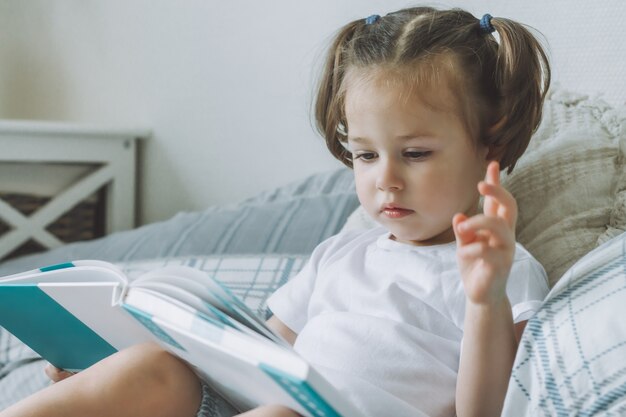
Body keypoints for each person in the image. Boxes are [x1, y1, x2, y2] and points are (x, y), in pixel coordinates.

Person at [0, 6, 551, 417]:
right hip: (265, 408)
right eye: (364, 154)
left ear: (490, 147)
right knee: (156, 368)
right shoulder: (341, 252)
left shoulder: (499, 271)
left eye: (415, 154)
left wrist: (486, 299)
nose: (385, 178)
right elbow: (259, 359)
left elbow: (489, 409)